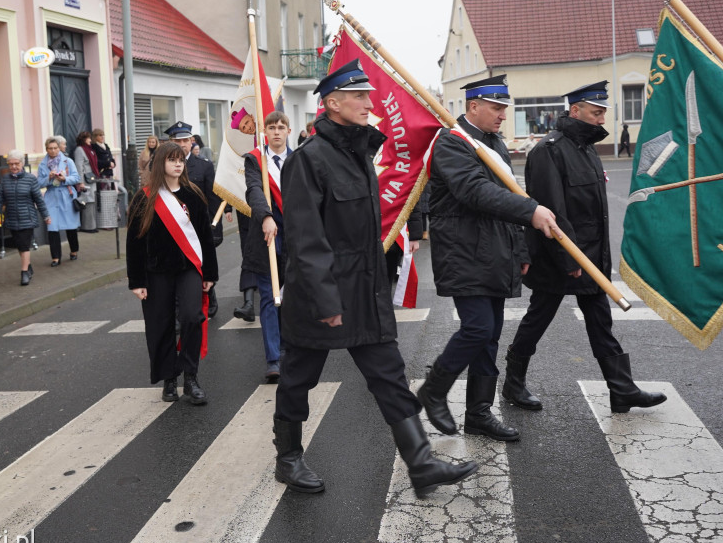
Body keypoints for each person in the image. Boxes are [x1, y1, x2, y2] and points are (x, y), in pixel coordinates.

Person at [272, 59, 476, 498]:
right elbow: (306, 241)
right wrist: (327, 303)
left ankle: (420, 464)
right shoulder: (309, 160)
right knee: (298, 379)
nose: (370, 102)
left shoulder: (359, 152)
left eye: (368, 94)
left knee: (389, 375)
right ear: (331, 104)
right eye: (359, 96)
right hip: (320, 296)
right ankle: (287, 458)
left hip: (363, 290)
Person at [505, 81, 666, 414]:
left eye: (603, 113)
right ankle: (513, 382)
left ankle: (621, 390)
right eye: (595, 113)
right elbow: (552, 211)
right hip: (560, 256)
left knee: (600, 321)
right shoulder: (549, 151)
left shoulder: (587, 148)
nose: (600, 119)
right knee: (538, 318)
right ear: (575, 110)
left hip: (590, 255)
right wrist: (568, 257)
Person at [417, 75, 558, 443]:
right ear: (473, 107)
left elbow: (505, 193)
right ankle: (434, 389)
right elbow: (474, 192)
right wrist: (531, 211)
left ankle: (478, 413)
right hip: (465, 253)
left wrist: (520, 249)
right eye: (495, 108)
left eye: (504, 109)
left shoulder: (492, 142)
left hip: (495, 251)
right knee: (478, 328)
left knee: (490, 335)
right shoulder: (453, 143)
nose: (501, 116)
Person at [127, 141, 218, 404]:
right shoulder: (144, 198)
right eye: (172, 160)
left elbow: (204, 238)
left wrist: (209, 273)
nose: (178, 164)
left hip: (188, 268)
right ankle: (169, 378)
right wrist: (137, 281)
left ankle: (190, 376)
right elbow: (134, 242)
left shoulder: (194, 195)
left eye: (181, 160)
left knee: (192, 316)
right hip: (155, 272)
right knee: (161, 324)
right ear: (161, 164)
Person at [242, 110, 292, 383]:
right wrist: (266, 217)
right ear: (265, 132)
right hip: (267, 239)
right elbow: (254, 190)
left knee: (292, 299)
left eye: (280, 127)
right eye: (271, 127)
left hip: (296, 240)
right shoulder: (255, 160)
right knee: (270, 299)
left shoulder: (299, 158)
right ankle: (273, 359)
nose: (275, 131)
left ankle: (290, 350)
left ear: (288, 131)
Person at [165, 121, 221, 318]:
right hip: (172, 225)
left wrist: (215, 225)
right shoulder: (163, 165)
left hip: (198, 226)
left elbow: (213, 197)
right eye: (177, 141)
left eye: (186, 140)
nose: (182, 144)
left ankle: (209, 293)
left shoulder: (204, 166)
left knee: (201, 262)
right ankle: (179, 309)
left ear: (192, 141)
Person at [0, 150, 51, 285]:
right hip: (11, 217)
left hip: (27, 218)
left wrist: (46, 215)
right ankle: (28, 266)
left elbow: (39, 200)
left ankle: (24, 273)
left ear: (22, 163)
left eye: (16, 164)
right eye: (10, 164)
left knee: (24, 245)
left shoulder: (30, 179)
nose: (13, 167)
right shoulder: (4, 180)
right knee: (19, 245)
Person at [38, 136, 81, 266]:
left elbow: (76, 178)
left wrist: (65, 179)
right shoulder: (42, 165)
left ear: (59, 148)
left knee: (70, 226)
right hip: (51, 197)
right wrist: (49, 178)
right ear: (46, 149)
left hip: (66, 195)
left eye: (55, 148)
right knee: (52, 228)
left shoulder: (68, 161)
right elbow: (39, 183)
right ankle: (55, 257)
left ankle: (74, 250)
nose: (53, 151)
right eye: (50, 148)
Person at [74, 131, 100, 233]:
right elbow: (79, 167)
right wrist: (80, 182)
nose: (90, 140)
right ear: (84, 139)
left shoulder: (90, 149)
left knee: (92, 202)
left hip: (91, 179)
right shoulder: (80, 150)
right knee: (87, 202)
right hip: (85, 180)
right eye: (88, 138)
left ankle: (92, 225)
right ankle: (87, 226)